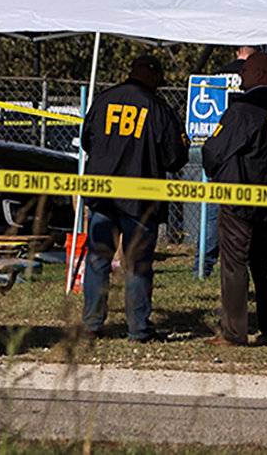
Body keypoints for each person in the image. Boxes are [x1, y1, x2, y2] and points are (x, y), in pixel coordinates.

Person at [78, 51, 188, 342]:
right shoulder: (158, 107)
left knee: (98, 259)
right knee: (137, 263)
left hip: (103, 192)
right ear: (151, 73)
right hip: (141, 198)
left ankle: (91, 324)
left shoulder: (103, 99)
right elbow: (175, 158)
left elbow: (86, 139)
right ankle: (138, 328)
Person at [202, 53, 267, 346]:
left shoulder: (244, 110)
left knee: (234, 263)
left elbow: (214, 151)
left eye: (246, 69)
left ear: (262, 74)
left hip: (241, 196)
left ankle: (234, 332)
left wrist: (217, 174)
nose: (241, 74)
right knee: (265, 264)